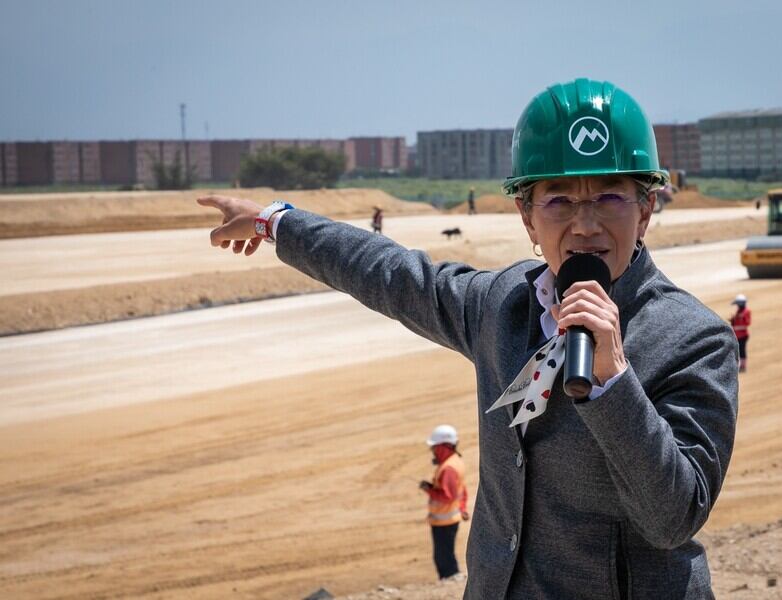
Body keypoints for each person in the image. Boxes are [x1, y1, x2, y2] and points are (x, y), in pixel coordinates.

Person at [197, 78, 738, 599]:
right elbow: (394, 274)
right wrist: (276, 222)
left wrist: (613, 380)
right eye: (560, 201)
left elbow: (674, 518)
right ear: (527, 217)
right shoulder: (501, 305)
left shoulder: (695, 339)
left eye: (608, 197)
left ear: (645, 209)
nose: (585, 225)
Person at [419, 424, 468, 580]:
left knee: (443, 556)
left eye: (434, 447)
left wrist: (429, 490)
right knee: (445, 553)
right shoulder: (454, 461)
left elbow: (449, 497)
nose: (433, 451)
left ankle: (451, 579)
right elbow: (461, 490)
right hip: (448, 518)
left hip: (445, 520)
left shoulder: (448, 468)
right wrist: (463, 507)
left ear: (443, 447)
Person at [730, 294, 751, 372]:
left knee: (742, 350)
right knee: (737, 351)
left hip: (743, 335)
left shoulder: (746, 311)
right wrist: (733, 321)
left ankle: (743, 366)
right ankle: (739, 365)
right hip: (737, 335)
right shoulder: (739, 311)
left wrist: (738, 320)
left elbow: (747, 323)